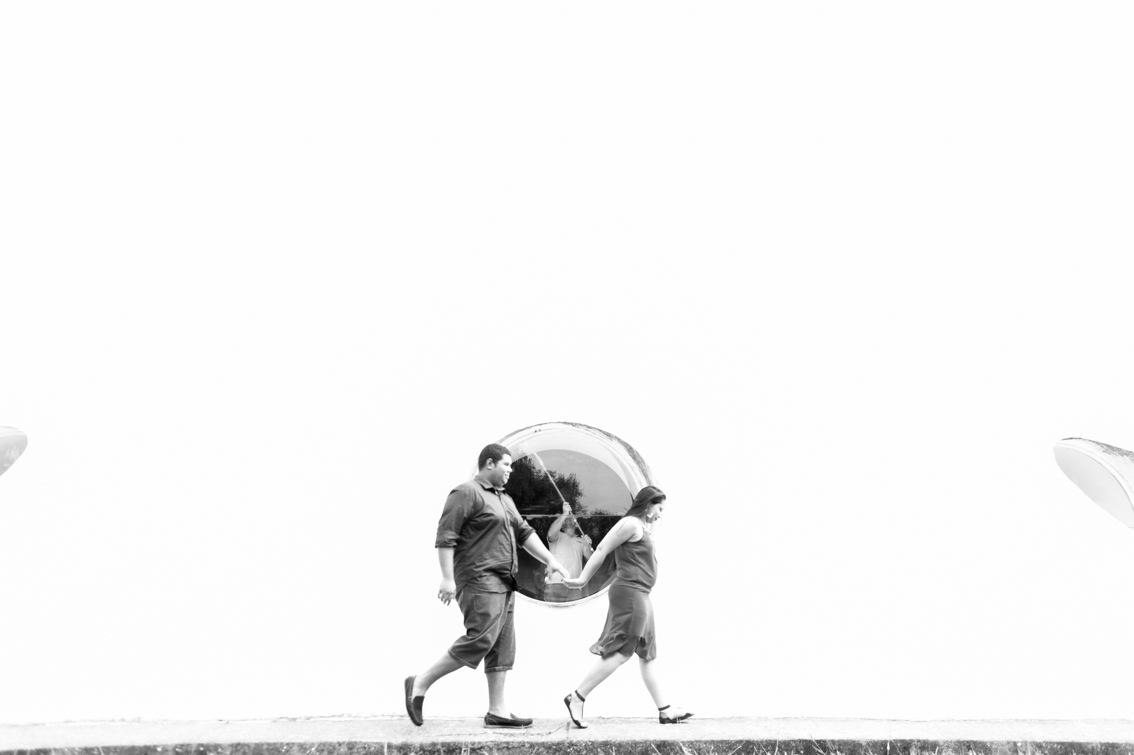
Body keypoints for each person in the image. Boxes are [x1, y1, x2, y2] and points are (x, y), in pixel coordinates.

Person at [404, 443, 570, 730]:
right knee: (481, 638)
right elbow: (446, 536)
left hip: (505, 581)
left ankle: (497, 711)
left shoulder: (505, 499)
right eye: (506, 464)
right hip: (479, 578)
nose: (510, 470)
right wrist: (447, 577)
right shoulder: (465, 492)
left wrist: (550, 560)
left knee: (502, 646)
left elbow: (524, 533)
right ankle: (420, 682)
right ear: (489, 463)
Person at [561, 485, 693, 728]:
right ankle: (577, 697)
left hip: (642, 594)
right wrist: (582, 580)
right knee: (622, 650)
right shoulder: (630, 524)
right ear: (648, 504)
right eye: (660, 508)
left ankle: (665, 710)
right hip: (630, 593)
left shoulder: (642, 528)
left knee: (647, 652)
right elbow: (602, 548)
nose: (661, 514)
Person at [546, 500, 593, 582]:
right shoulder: (557, 536)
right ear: (561, 524)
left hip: (575, 585)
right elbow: (550, 534)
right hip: (555, 584)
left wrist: (588, 546)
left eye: (571, 516)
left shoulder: (582, 540)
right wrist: (564, 514)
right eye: (565, 518)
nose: (568, 518)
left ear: (576, 524)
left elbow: (591, 561)